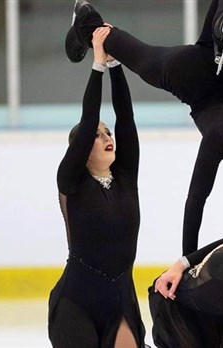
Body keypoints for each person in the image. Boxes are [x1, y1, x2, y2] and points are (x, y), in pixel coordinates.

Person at [65, 0, 223, 256]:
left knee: (113, 41)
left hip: (222, 55)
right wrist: (188, 263)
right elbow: (196, 201)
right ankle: (87, 25)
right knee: (126, 50)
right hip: (193, 75)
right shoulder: (220, 139)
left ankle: (85, 21)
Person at [48, 26, 147, 348]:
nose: (107, 137)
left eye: (108, 133)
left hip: (122, 301)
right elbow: (88, 118)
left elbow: (126, 119)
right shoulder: (71, 182)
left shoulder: (125, 178)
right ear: (79, 150)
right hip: (77, 304)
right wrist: (97, 65)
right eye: (97, 134)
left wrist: (115, 65)